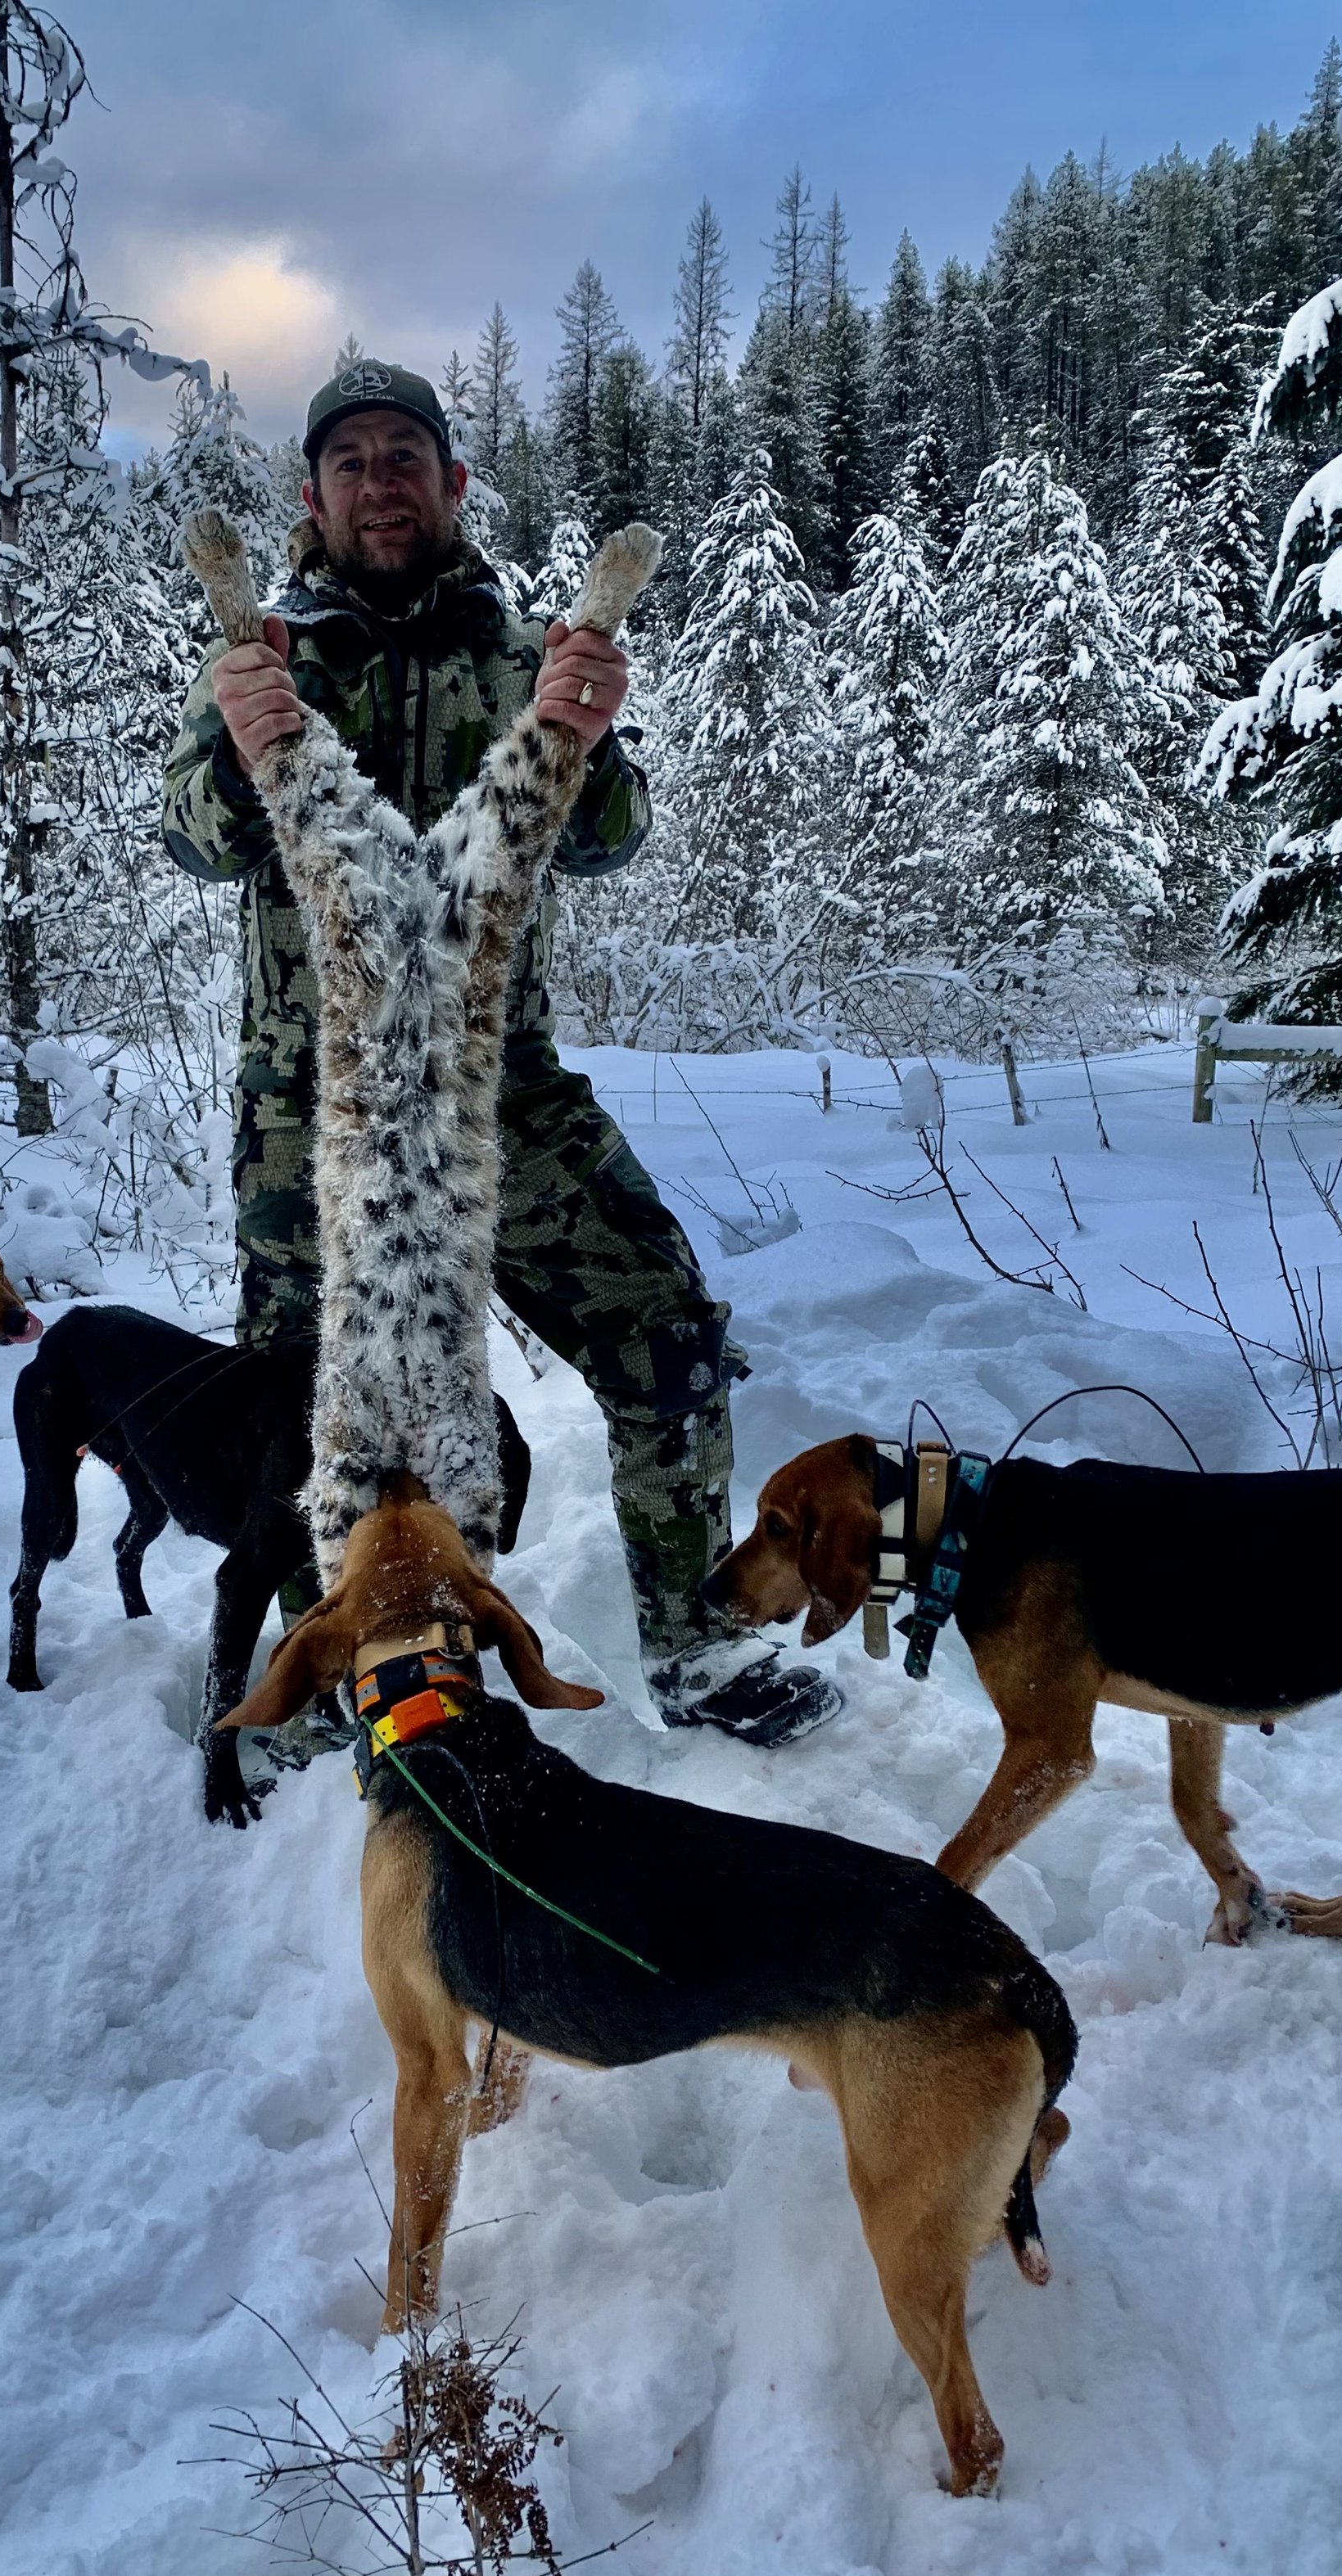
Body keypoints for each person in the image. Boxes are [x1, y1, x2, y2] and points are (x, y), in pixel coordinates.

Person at [160, 360, 840, 1745]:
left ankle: (702, 1658)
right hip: (318, 1113)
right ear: (314, 498)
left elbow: (613, 837)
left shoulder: (522, 653)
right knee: (304, 1419)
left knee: (669, 1341)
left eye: (403, 454)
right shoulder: (267, 659)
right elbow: (192, 837)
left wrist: (584, 728)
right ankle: (336, 1684)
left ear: (454, 482)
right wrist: (237, 752)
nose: (378, 481)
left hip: (501, 1096)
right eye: (348, 461)